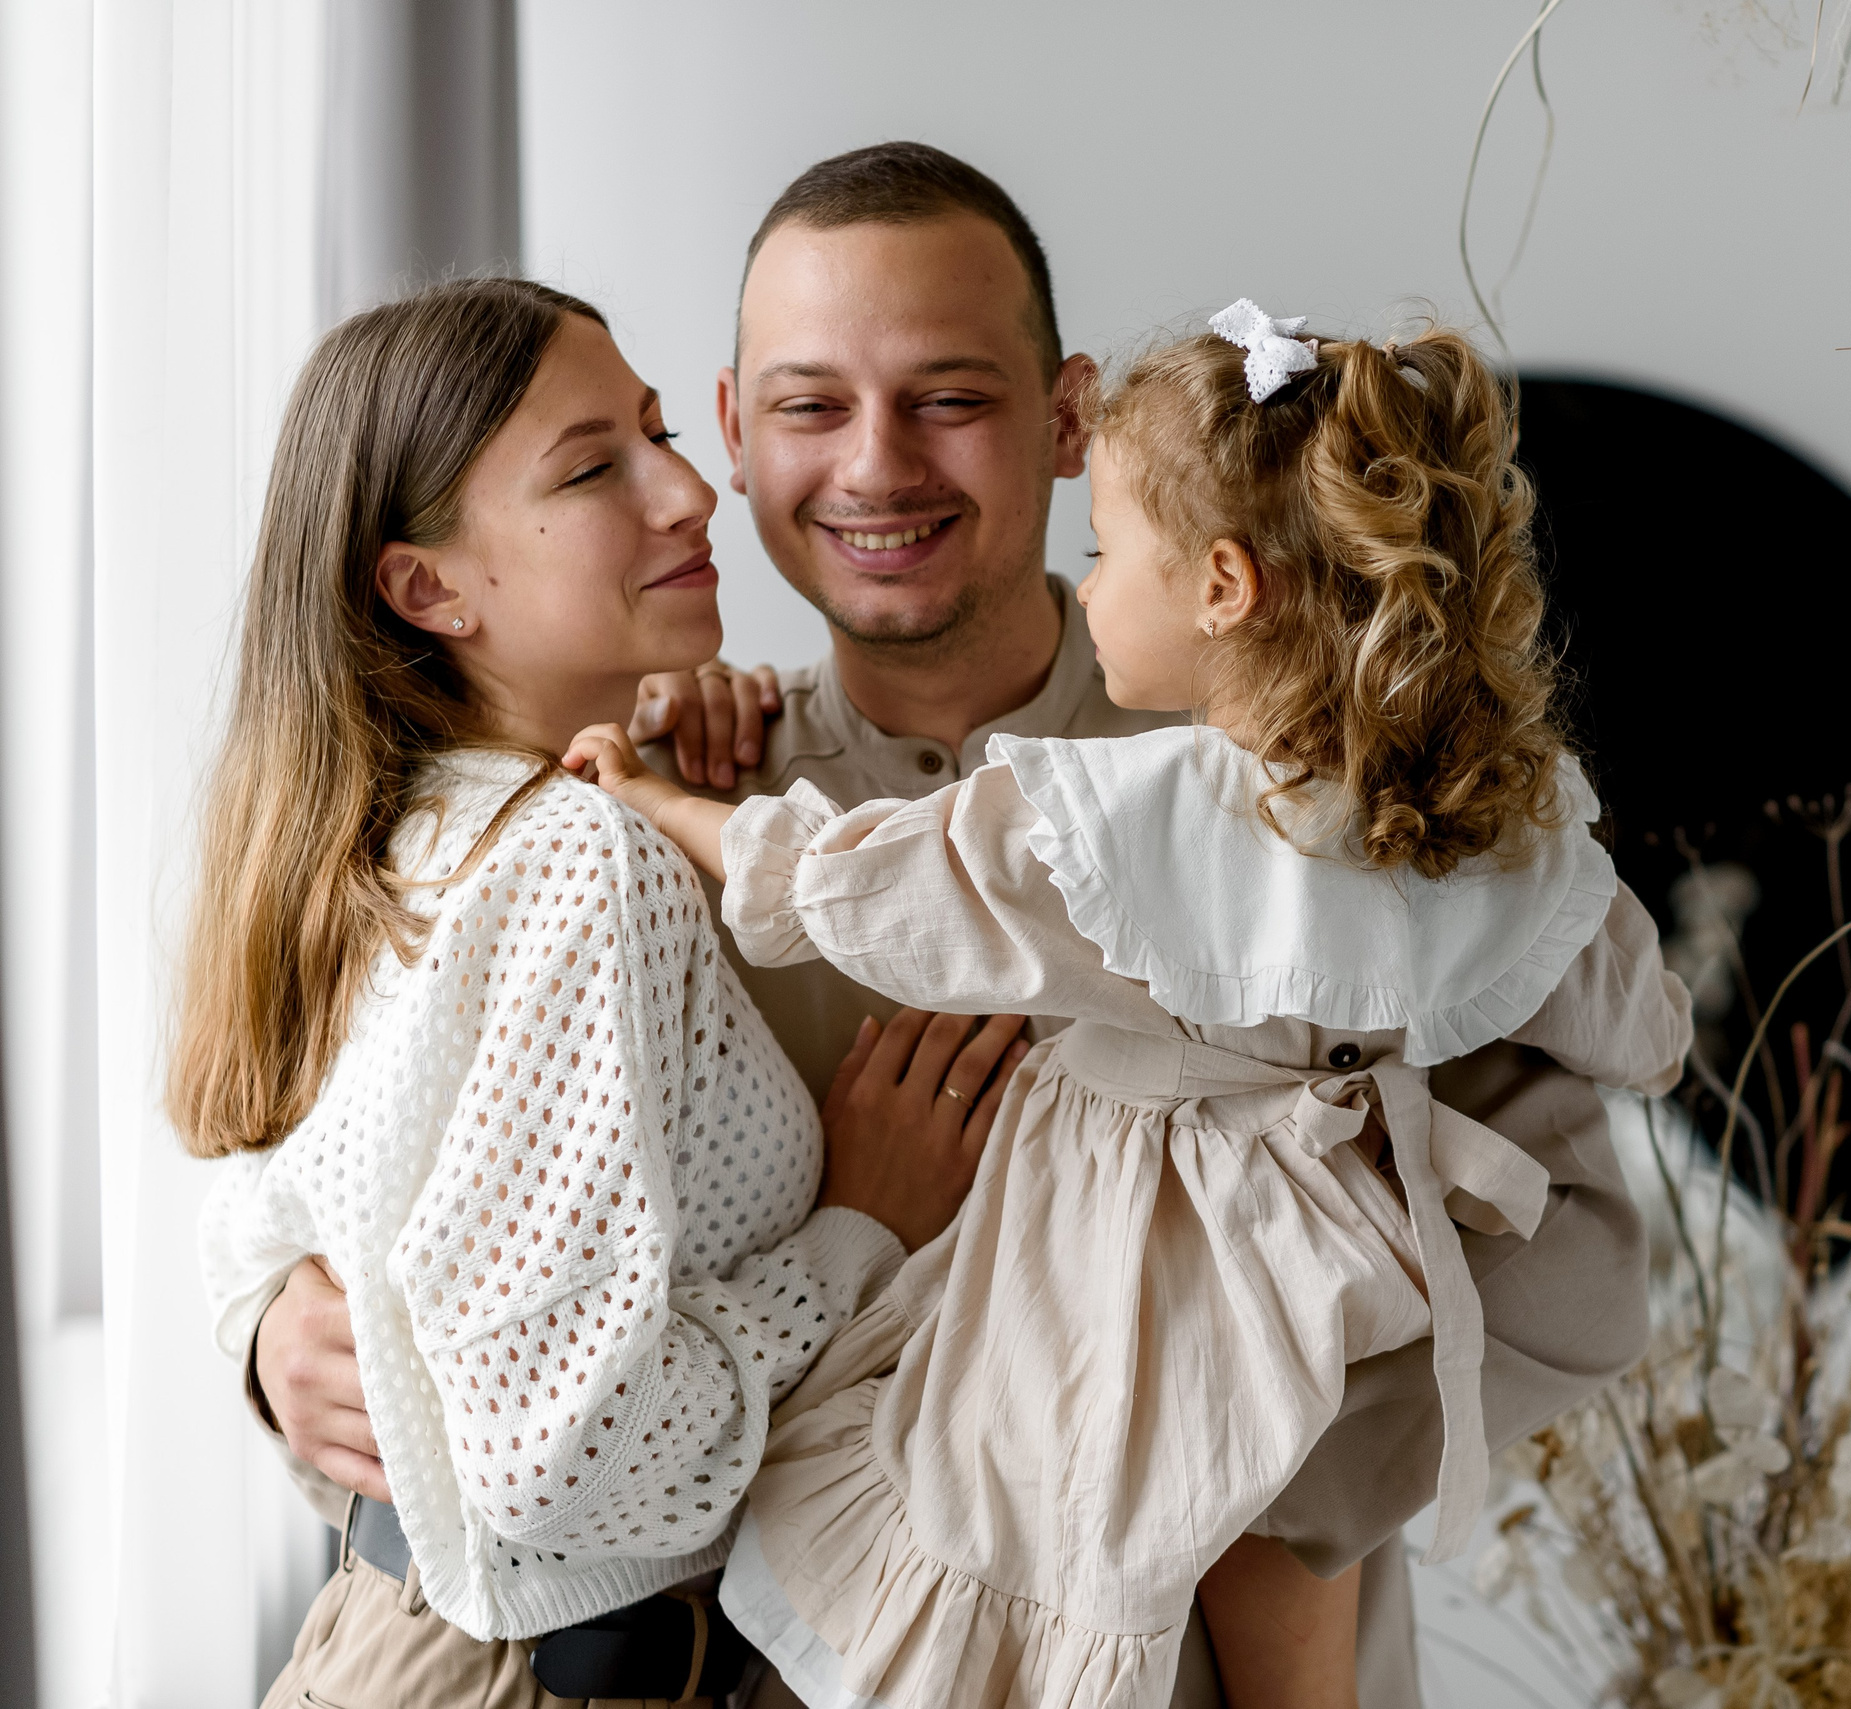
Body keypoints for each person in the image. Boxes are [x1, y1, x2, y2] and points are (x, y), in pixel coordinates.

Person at [254, 143, 1657, 1708]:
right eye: (807, 406)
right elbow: (364, 1168)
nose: (877, 466)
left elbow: (1577, 1265)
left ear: (1069, 421)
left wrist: (1223, 1488)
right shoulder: (657, 801)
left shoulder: (1315, 799)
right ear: (731, 432)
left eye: (950, 398)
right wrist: (269, 1336)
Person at [566, 303, 1694, 1709]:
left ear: (1222, 584)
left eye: (1105, 554)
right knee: (1209, 1513)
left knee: (1051, 1505)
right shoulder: (1484, 813)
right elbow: (1630, 1007)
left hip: (1143, 1249)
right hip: (1346, 1249)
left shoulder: (1135, 815)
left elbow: (871, 878)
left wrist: (661, 801)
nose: (1090, 587)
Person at [178, 278, 1027, 1708]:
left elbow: (296, 1216)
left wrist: (257, 1324)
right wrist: (853, 1236)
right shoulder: (577, 858)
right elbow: (564, 1463)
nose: (693, 489)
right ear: (427, 588)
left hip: (385, 1646)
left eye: (656, 431)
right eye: (594, 468)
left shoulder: (384, 837)